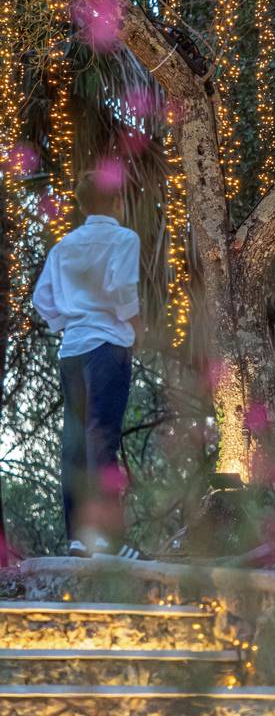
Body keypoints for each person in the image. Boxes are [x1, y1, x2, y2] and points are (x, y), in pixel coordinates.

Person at [32, 171, 146, 560]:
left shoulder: (63, 247)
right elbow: (122, 290)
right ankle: (112, 542)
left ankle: (78, 538)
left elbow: (42, 299)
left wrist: (68, 321)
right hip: (108, 346)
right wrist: (133, 323)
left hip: (72, 351)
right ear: (116, 202)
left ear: (82, 205)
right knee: (103, 440)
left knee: (75, 443)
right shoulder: (124, 239)